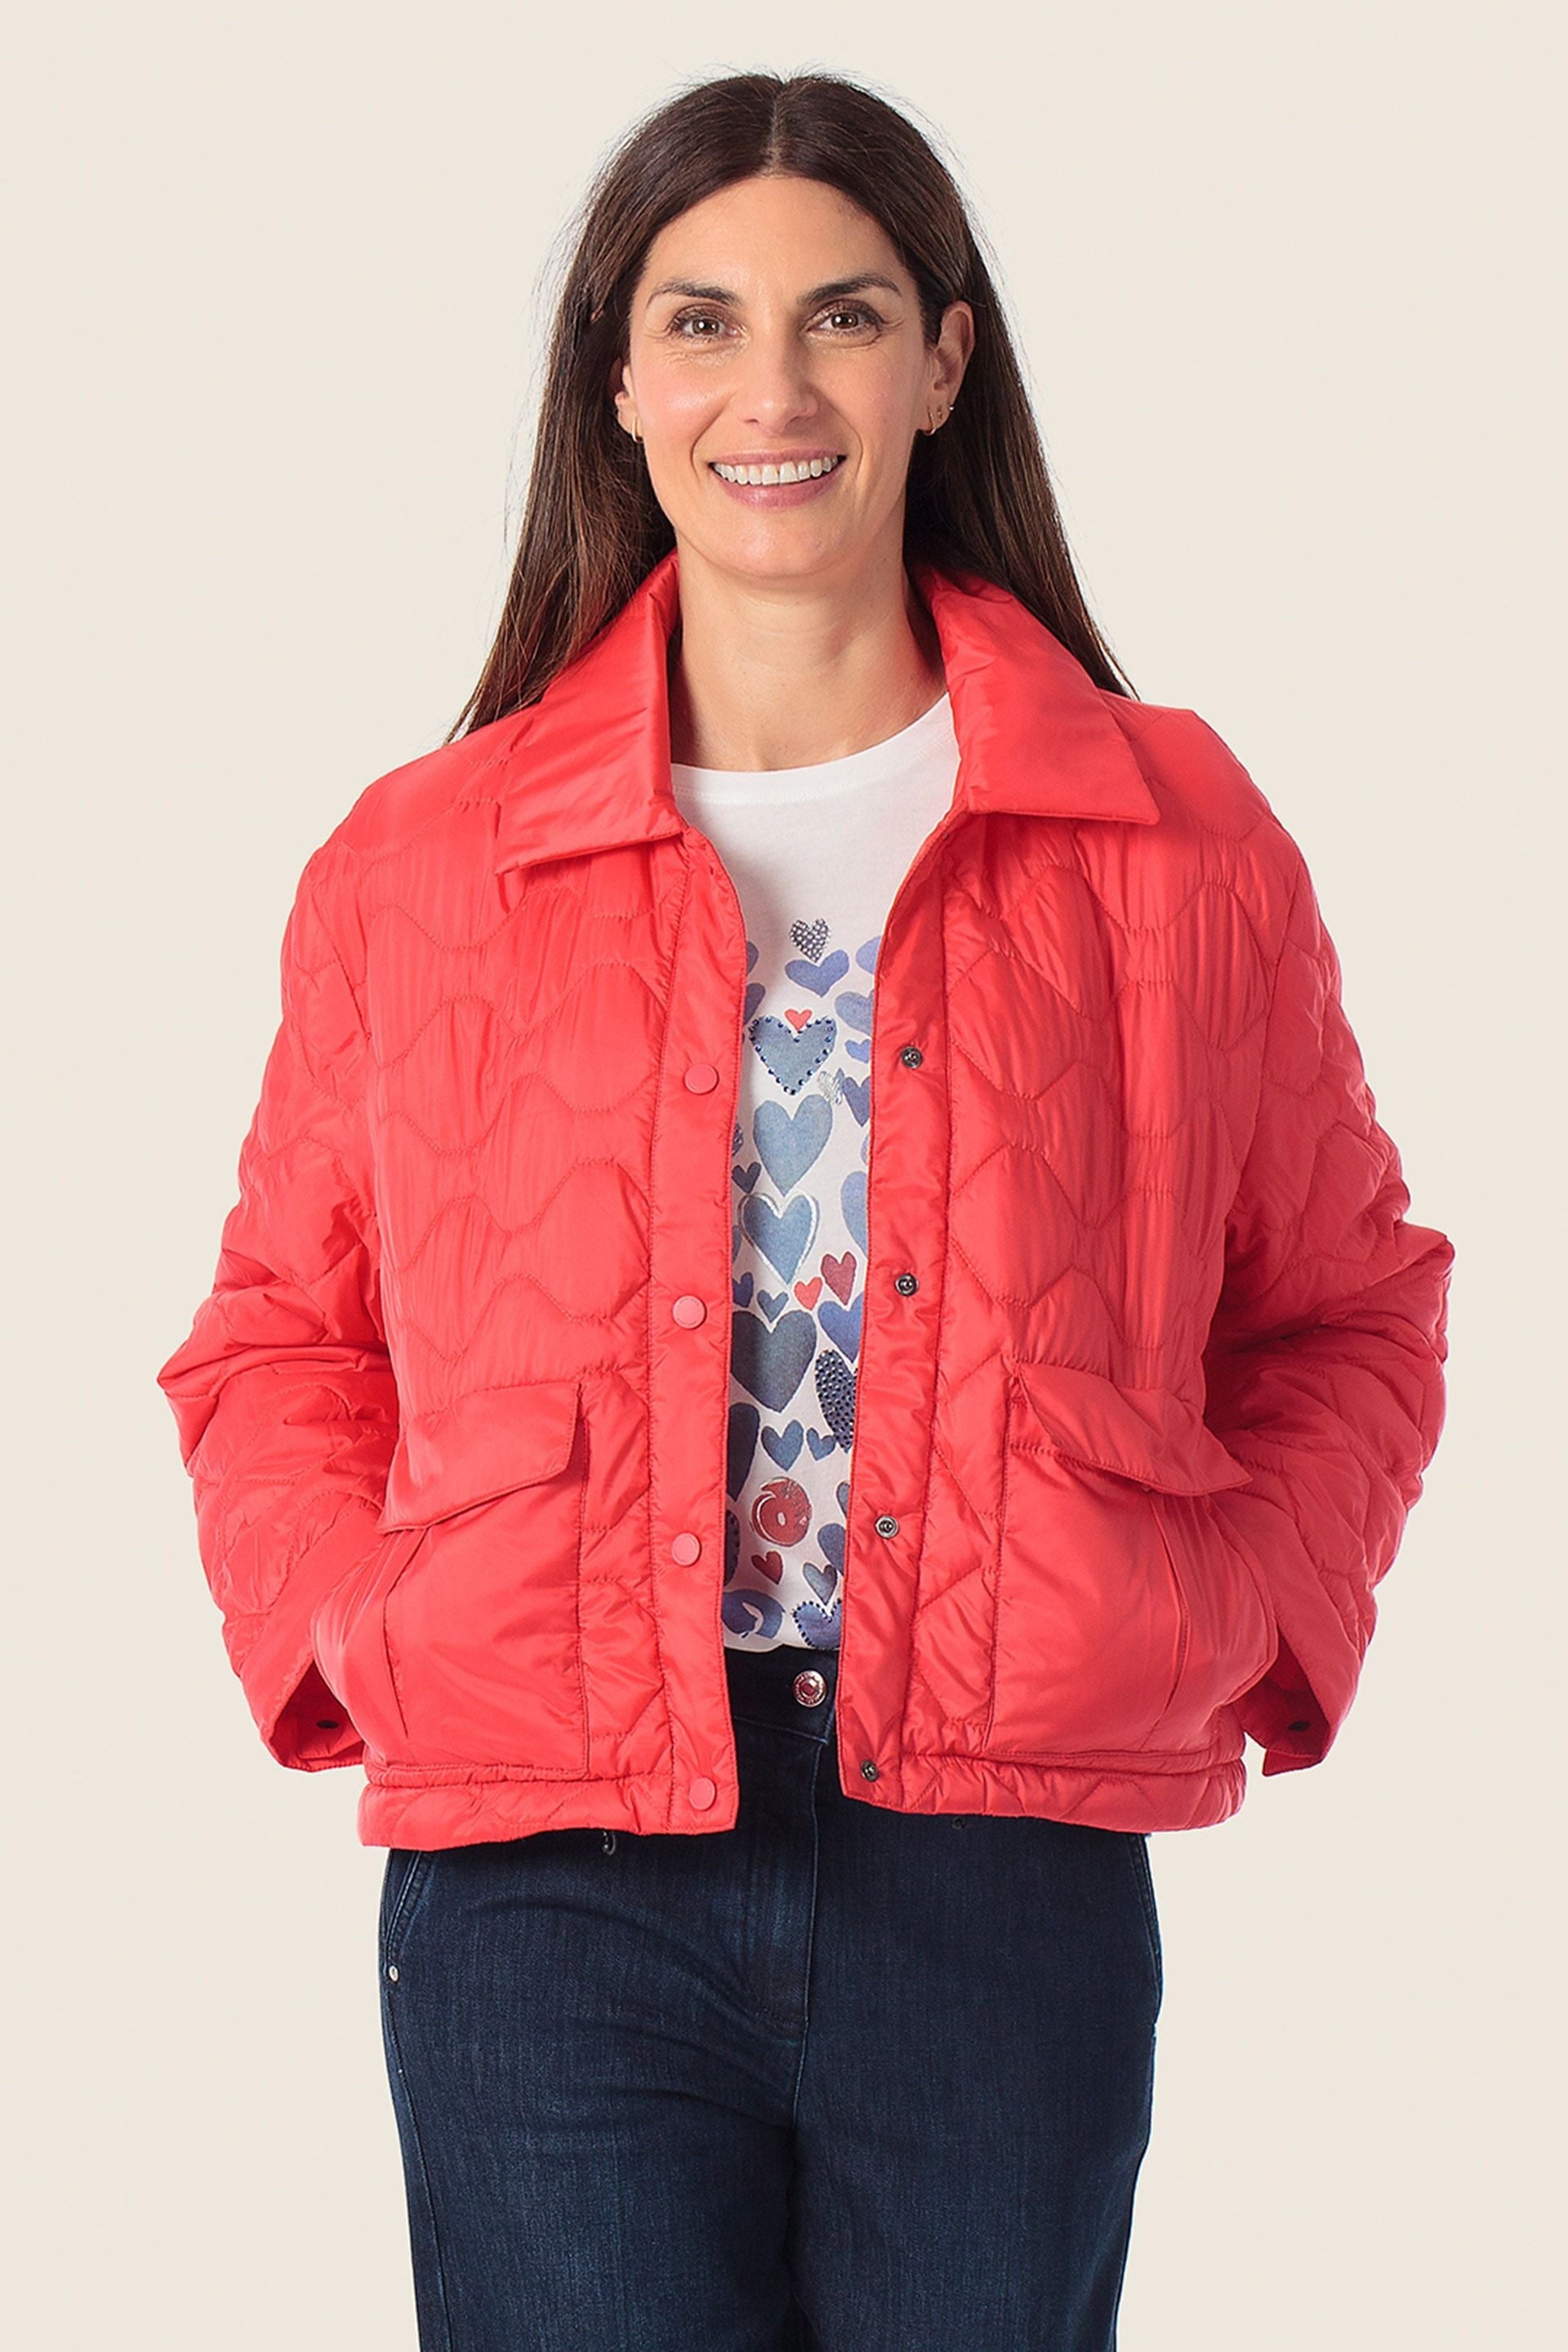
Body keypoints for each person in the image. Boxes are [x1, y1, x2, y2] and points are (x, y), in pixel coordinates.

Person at [155, 69, 1454, 2352]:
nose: (775, 390)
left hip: (1003, 1863)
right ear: (620, 381)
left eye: (843, 317)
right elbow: (280, 1337)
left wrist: (1233, 1606)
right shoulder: (423, 863)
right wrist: (361, 1629)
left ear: (943, 364)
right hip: (550, 1877)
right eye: (705, 322)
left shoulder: (1169, 834)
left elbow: (1348, 1306)